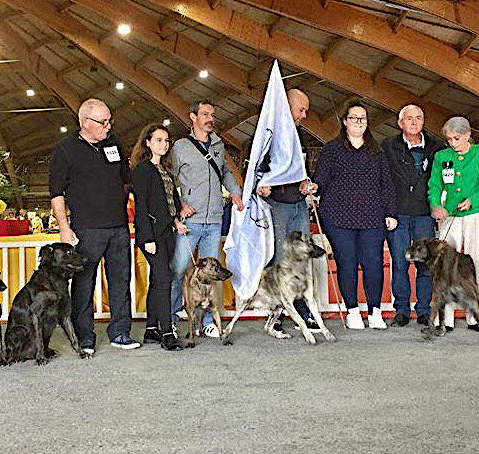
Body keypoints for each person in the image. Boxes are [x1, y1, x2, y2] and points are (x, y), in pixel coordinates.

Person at [50, 98, 140, 353]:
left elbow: (127, 181)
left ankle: (120, 332)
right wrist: (64, 227)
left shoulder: (114, 143)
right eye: (103, 122)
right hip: (86, 229)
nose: (108, 126)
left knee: (121, 281)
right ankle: (84, 337)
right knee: (83, 284)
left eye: (109, 121)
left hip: (119, 227)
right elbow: (56, 193)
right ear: (85, 122)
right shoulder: (65, 149)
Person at [311, 100, 397, 329]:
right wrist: (314, 187)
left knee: (373, 262)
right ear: (345, 121)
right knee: (346, 262)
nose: (358, 122)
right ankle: (352, 311)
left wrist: (390, 212)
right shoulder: (331, 149)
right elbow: (321, 179)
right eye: (354, 118)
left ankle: (375, 311)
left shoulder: (377, 151)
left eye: (363, 118)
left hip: (372, 217)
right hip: (338, 217)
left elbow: (387, 184)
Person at [169, 100, 243, 338]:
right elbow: (170, 179)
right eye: (205, 114)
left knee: (212, 273)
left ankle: (209, 321)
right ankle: (170, 319)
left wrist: (235, 192)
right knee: (179, 270)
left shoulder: (219, 145)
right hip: (190, 220)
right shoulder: (181, 146)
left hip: (214, 220)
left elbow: (224, 172)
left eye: (212, 114)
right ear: (193, 117)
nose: (210, 119)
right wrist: (179, 205)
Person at [255, 88, 320, 333]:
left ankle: (304, 311)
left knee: (302, 256)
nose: (304, 115)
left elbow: (302, 169)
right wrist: (262, 185)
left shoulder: (299, 135)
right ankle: (278, 311)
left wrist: (307, 182)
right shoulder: (269, 133)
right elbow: (258, 167)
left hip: (299, 204)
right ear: (288, 107)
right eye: (301, 109)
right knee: (280, 259)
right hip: (278, 204)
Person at [428, 116, 479, 331]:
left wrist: (474, 199)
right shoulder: (441, 156)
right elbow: (435, 185)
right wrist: (436, 205)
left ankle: (474, 316)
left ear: (468, 135)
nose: (453, 143)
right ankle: (445, 318)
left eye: (456, 138)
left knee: (475, 264)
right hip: (450, 215)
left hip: (478, 213)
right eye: (449, 139)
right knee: (445, 265)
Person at [381, 104, 445, 328]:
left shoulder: (436, 147)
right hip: (398, 213)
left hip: (424, 213)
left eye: (419, 118)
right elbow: (384, 180)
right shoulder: (388, 146)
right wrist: (387, 211)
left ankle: (424, 311)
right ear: (400, 123)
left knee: (425, 264)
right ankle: (401, 310)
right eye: (409, 118)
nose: (414, 122)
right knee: (400, 263)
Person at [130, 124, 187, 351]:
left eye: (166, 140)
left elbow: (168, 203)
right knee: (164, 280)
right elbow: (141, 206)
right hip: (151, 234)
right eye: (159, 140)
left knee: (158, 280)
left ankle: (151, 329)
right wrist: (147, 238)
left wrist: (176, 222)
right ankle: (167, 333)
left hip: (167, 232)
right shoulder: (142, 170)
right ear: (148, 142)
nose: (164, 144)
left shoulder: (165, 169)